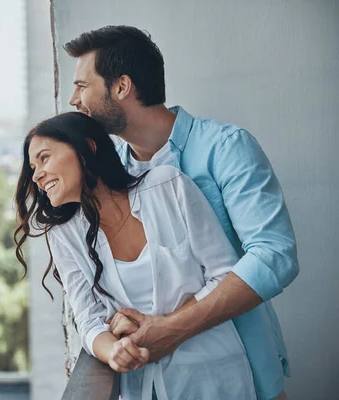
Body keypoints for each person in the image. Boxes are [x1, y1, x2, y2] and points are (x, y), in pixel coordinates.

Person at [63, 25, 298, 400]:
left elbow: (274, 256)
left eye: (81, 85)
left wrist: (171, 328)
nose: (73, 99)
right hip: (149, 384)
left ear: (121, 86)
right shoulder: (108, 179)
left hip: (247, 378)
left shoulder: (226, 148)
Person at [15, 112, 257, 399]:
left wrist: (163, 329)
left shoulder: (167, 186)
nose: (37, 175)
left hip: (215, 377)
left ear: (87, 149)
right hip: (141, 388)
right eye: (32, 167)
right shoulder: (64, 234)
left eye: (44, 158)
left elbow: (226, 275)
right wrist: (115, 351)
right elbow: (88, 319)